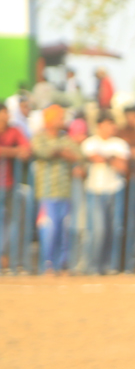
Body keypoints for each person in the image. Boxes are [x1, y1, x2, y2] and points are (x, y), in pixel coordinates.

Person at [31, 104, 80, 274]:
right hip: (46, 192)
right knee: (48, 229)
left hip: (64, 192)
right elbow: (42, 151)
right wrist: (60, 151)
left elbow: (78, 154)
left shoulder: (65, 138)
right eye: (59, 117)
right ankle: (48, 265)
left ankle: (62, 264)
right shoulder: (40, 137)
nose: (62, 120)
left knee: (63, 230)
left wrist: (62, 152)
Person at [80, 111, 130, 274]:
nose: (111, 127)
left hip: (115, 190)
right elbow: (95, 158)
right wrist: (112, 158)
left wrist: (107, 158)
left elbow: (122, 166)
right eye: (108, 124)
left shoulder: (120, 144)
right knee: (98, 230)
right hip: (95, 190)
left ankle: (109, 265)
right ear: (99, 126)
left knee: (114, 229)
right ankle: (93, 265)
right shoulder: (90, 142)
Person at [0, 103, 32, 271]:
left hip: (9, 184)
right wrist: (13, 151)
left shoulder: (14, 130)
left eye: (6, 113)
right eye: (2, 113)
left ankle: (7, 257)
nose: (5, 116)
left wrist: (13, 151)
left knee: (13, 222)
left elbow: (26, 149)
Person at [117, 107, 135, 272]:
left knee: (134, 221)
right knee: (122, 221)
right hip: (124, 183)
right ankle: (120, 261)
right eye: (134, 116)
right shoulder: (120, 133)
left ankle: (129, 261)